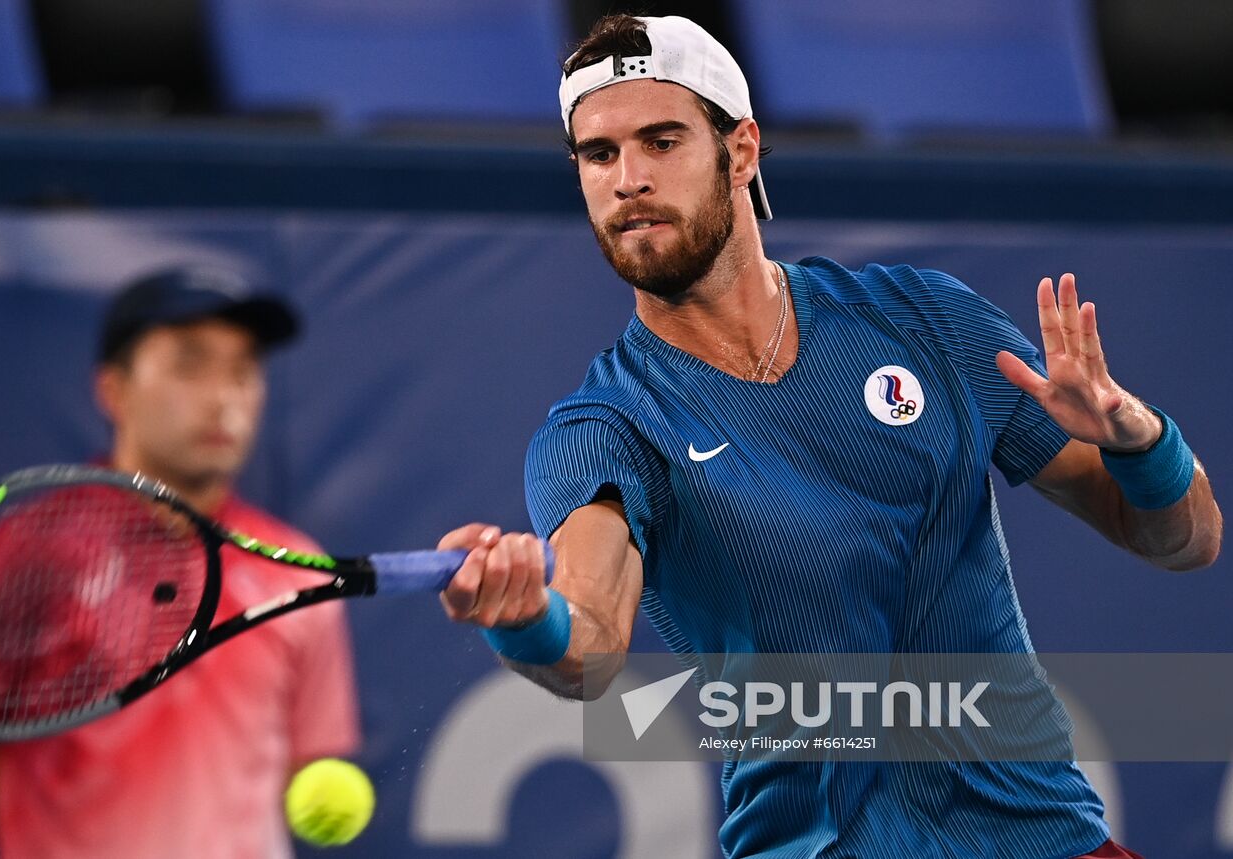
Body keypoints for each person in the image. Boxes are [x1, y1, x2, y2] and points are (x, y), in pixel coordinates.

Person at [435, 15, 1222, 859]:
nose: (628, 180)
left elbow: (1184, 541)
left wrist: (1141, 444)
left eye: (661, 141)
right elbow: (588, 640)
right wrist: (528, 622)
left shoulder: (928, 321)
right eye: (599, 154)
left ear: (740, 151)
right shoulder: (603, 429)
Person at [0, 267, 360, 858]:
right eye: (190, 364)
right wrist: (57, 836)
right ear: (113, 389)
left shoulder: (301, 570)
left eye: (243, 369)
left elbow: (309, 760)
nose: (223, 396)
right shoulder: (27, 552)